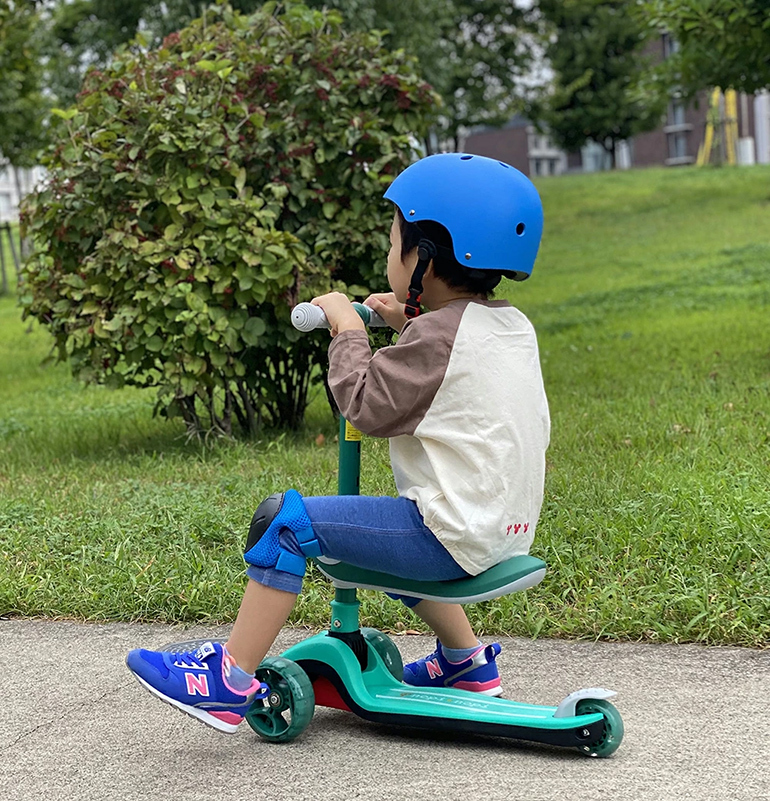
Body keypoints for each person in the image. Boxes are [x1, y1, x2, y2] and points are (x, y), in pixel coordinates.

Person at [126, 153, 551, 734]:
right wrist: (406, 318)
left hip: (450, 537)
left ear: (423, 254)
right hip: (504, 532)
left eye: (393, 240)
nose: (388, 253)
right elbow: (451, 361)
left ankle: (227, 679)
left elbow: (367, 405)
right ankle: (465, 665)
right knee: (370, 543)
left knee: (286, 520)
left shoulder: (434, 338)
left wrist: (348, 330)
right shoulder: (507, 325)